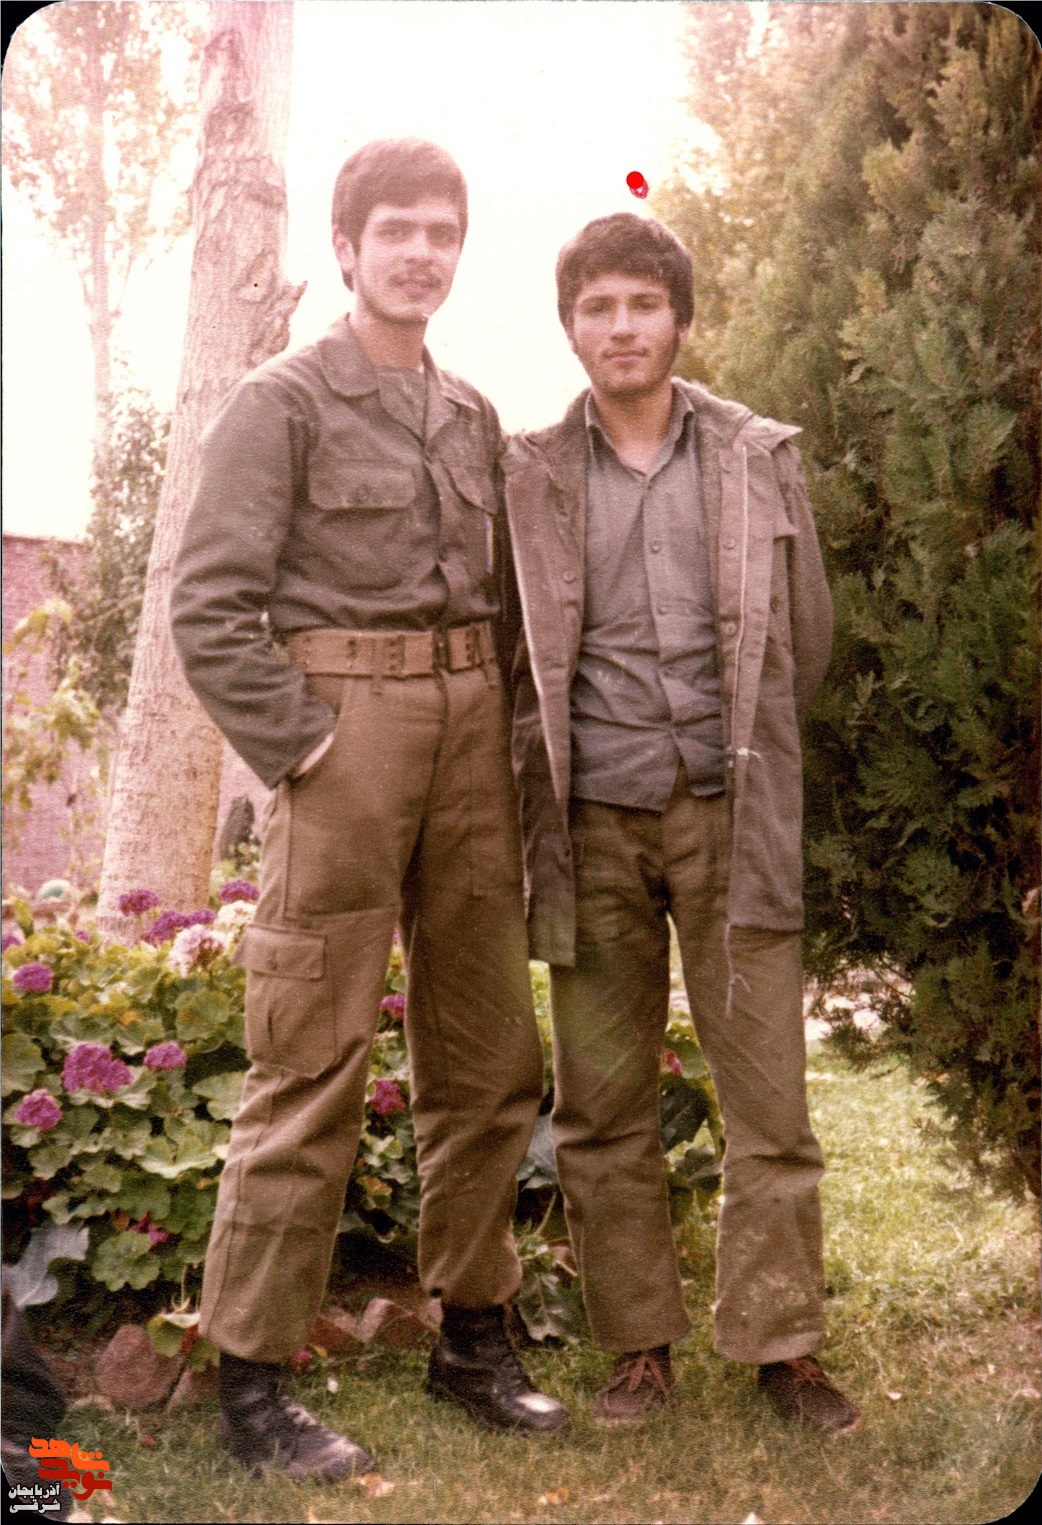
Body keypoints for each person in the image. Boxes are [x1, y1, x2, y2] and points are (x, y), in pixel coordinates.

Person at [169, 138, 568, 1483]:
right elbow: (209, 610)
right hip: (344, 737)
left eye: (441, 233)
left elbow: (508, 602)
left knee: (488, 1053)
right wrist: (309, 746)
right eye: (396, 230)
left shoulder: (469, 414)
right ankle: (254, 1381)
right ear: (346, 248)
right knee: (309, 1056)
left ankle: (473, 1337)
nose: (420, 253)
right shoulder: (279, 402)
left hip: (469, 740)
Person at [501, 213, 861, 1434]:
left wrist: (737, 756)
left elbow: (804, 635)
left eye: (642, 304)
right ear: (571, 328)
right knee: (600, 1105)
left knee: (769, 1100)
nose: (621, 327)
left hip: (728, 815)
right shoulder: (527, 474)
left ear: (680, 320)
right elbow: (515, 654)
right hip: (588, 827)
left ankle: (782, 1347)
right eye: (597, 307)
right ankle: (636, 1347)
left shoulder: (758, 458)